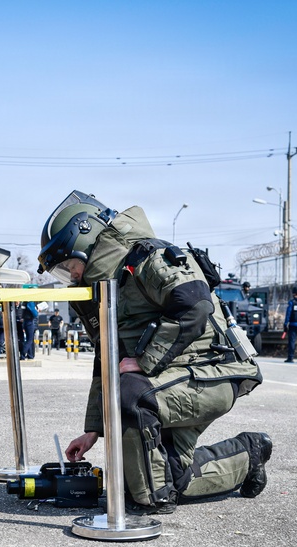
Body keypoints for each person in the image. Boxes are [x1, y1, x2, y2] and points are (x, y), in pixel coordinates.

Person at [37, 190, 271, 515]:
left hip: (213, 373)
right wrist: (94, 429)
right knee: (173, 476)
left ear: (87, 240)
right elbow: (107, 358)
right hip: (172, 380)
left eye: (68, 265)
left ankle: (153, 500)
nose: (71, 275)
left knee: (131, 398)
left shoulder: (146, 258)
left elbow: (195, 303)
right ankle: (249, 453)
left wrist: (144, 360)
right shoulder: (109, 284)